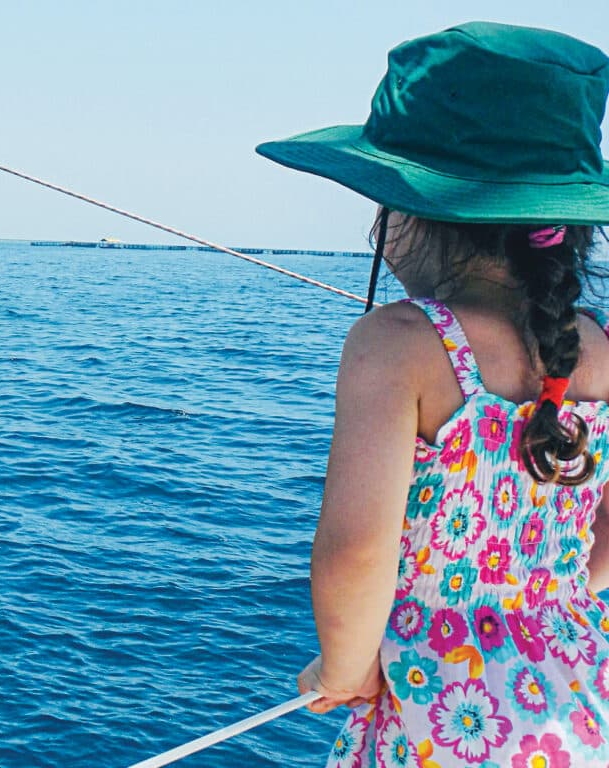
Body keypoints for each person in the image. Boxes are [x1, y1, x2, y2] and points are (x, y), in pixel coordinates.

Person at [255, 22, 609, 765]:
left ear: (413, 215)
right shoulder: (598, 350)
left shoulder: (399, 345)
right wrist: (544, 608)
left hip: (443, 715)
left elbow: (357, 552)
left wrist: (346, 670)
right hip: (581, 704)